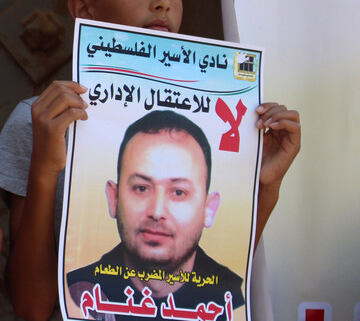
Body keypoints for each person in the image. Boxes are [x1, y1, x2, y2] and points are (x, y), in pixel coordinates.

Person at [0, 0, 301, 321]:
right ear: (85, 9)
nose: (162, 2)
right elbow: (31, 309)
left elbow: (218, 290)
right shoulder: (44, 119)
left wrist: (265, 187)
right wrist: (45, 169)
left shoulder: (223, 125)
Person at [65, 111, 244, 320]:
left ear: (209, 209)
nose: (157, 212)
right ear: (113, 198)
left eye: (178, 192)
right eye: (141, 188)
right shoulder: (76, 291)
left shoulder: (235, 299)